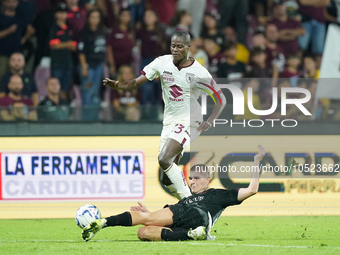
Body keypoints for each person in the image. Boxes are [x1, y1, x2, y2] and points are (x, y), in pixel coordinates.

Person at [104, 31, 226, 200]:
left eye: (180, 46)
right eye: (173, 46)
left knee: (164, 159)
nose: (175, 49)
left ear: (188, 48)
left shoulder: (199, 72)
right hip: (169, 121)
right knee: (165, 178)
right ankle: (190, 204)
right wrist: (117, 85)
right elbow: (135, 83)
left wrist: (210, 120)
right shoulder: (162, 62)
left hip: (190, 120)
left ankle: (191, 204)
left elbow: (221, 99)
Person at [81, 144, 266, 242]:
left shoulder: (217, 195)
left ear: (207, 180)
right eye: (190, 178)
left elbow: (252, 189)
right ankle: (192, 235)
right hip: (190, 222)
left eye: (197, 178)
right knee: (143, 232)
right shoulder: (187, 198)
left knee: (147, 217)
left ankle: (103, 222)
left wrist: (257, 161)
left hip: (198, 215)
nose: (192, 181)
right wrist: (150, 214)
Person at [78, 9, 110, 120]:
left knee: (95, 93)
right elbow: (81, 51)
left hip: (98, 65)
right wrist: (83, 67)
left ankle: (94, 118)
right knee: (87, 92)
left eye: (97, 17)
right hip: (88, 66)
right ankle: (86, 119)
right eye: (93, 17)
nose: (95, 20)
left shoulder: (101, 32)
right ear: (88, 19)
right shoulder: (84, 33)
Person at [49, 2, 77, 100]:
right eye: (60, 12)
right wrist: (67, 44)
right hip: (57, 63)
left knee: (66, 89)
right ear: (56, 14)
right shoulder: (54, 28)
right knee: (55, 87)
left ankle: (64, 107)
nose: (62, 15)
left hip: (68, 63)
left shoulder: (69, 29)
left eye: (64, 12)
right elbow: (53, 45)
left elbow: (74, 46)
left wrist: (63, 44)